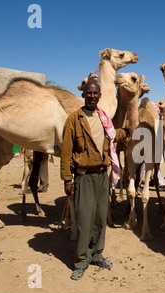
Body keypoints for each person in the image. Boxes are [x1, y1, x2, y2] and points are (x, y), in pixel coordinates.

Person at [60, 80, 126, 280]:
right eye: (88, 93)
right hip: (84, 176)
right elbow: (65, 152)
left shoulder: (103, 117)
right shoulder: (74, 119)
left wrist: (128, 132)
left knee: (99, 218)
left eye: (95, 93)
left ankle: (97, 254)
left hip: (101, 176)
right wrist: (67, 180)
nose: (92, 96)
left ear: (99, 96)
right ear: (84, 95)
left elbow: (113, 135)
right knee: (84, 219)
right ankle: (81, 260)